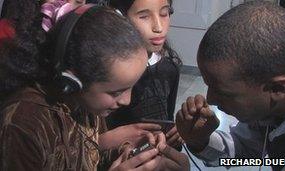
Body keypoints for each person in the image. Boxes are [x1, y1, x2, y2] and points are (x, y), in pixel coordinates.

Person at [0, 5, 189, 170]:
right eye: (116, 92)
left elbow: (89, 155)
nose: (127, 100)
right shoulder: (22, 126)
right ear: (72, 81)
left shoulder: (83, 103)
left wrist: (128, 154)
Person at [175, 1, 285, 171]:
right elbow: (246, 155)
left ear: (277, 89)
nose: (210, 100)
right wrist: (200, 140)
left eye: (225, 93)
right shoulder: (269, 108)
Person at [105, 0, 183, 150]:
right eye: (144, 16)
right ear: (119, 16)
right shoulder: (107, 72)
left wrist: (175, 132)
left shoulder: (169, 69)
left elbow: (167, 118)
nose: (159, 27)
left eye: (164, 13)